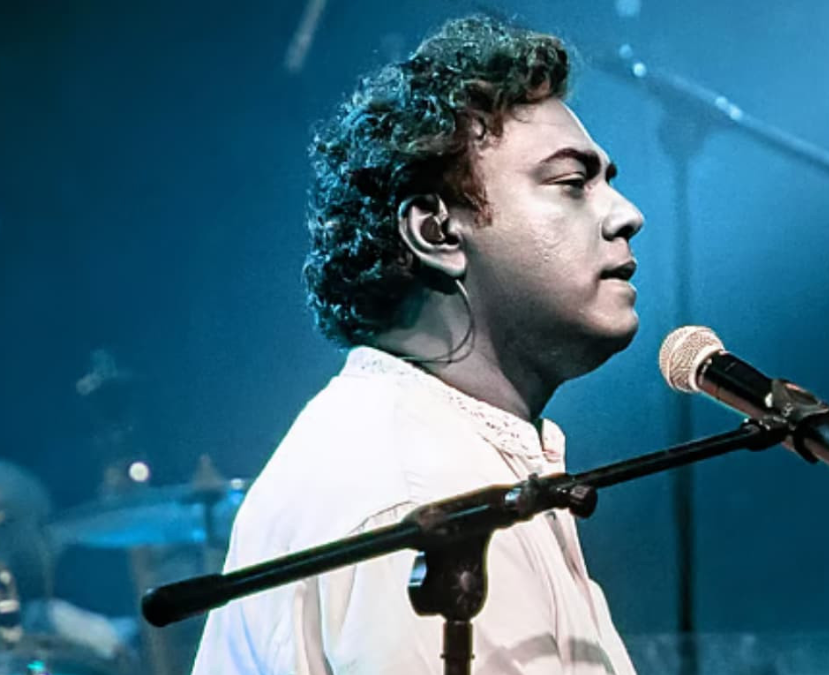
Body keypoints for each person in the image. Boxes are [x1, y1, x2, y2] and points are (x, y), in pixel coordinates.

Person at [192, 15, 643, 675]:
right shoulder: (416, 486)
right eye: (573, 183)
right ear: (436, 231)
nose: (627, 213)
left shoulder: (441, 447)